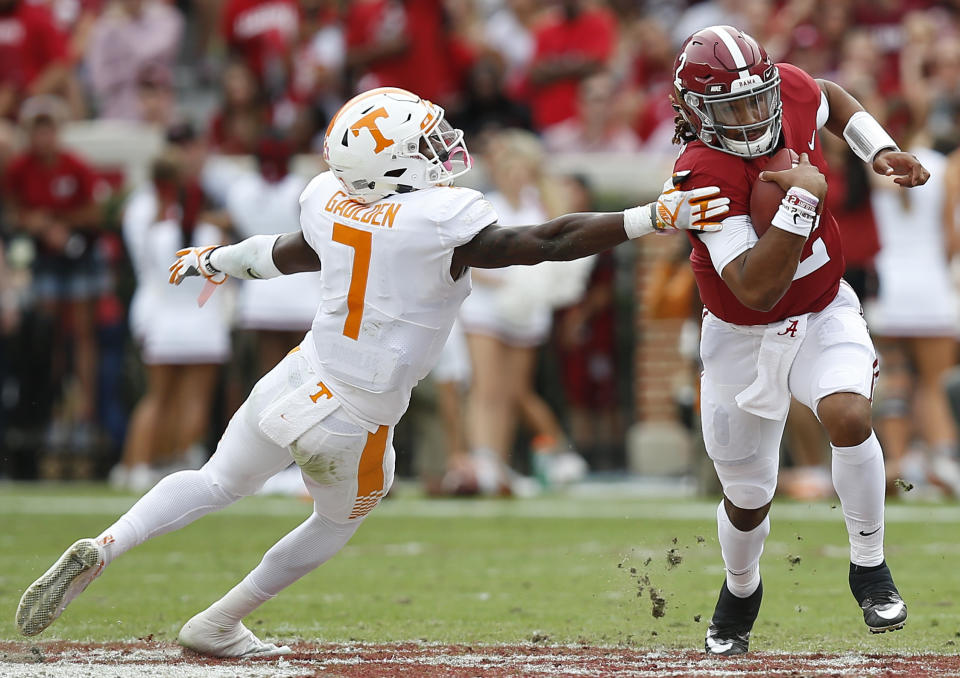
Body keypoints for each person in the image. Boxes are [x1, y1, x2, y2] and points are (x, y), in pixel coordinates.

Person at [16, 86, 728, 657]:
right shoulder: (439, 219)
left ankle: (110, 543)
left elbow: (292, 252)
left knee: (215, 481)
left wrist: (219, 260)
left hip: (298, 376)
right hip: (354, 416)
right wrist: (650, 216)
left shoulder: (329, 198)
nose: (444, 147)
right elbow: (540, 241)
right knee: (337, 520)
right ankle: (219, 623)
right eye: (424, 143)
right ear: (392, 164)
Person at [669, 26, 930, 656]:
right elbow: (754, 288)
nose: (755, 115)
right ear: (694, 113)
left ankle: (868, 566)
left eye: (757, 98)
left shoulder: (784, 88)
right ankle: (741, 588)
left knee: (847, 411)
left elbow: (830, 95)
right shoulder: (699, 172)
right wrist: (799, 203)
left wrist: (878, 149)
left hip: (821, 309)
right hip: (740, 333)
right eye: (732, 108)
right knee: (748, 494)